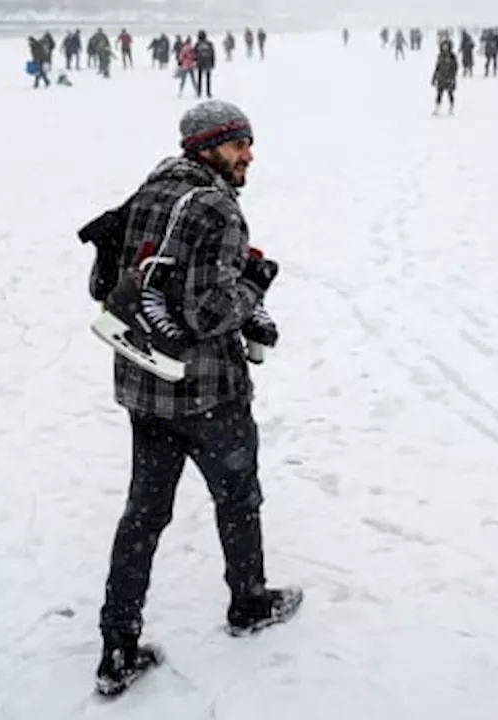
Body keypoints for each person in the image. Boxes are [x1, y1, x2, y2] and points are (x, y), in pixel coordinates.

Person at [93, 100, 302, 696]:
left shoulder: (155, 186)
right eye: (238, 145)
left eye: (250, 143)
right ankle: (250, 603)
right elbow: (207, 311)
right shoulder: (216, 208)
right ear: (208, 148)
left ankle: (117, 647)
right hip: (209, 394)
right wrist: (251, 291)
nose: (249, 156)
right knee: (238, 498)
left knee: (142, 517)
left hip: (145, 388)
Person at [432, 39, 459, 114]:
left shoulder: (452, 56)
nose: (445, 48)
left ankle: (451, 108)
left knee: (450, 93)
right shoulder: (440, 56)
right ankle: (437, 108)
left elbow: (455, 68)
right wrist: (434, 78)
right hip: (441, 78)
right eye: (444, 46)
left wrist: (452, 77)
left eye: (446, 46)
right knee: (439, 93)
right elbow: (437, 67)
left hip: (449, 78)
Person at [194, 30, 216, 98]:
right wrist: (213, 63)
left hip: (200, 63)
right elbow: (213, 54)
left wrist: (195, 61)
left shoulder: (197, 44)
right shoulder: (209, 44)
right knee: (208, 79)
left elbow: (194, 54)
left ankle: (199, 93)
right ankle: (208, 93)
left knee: (200, 79)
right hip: (208, 63)